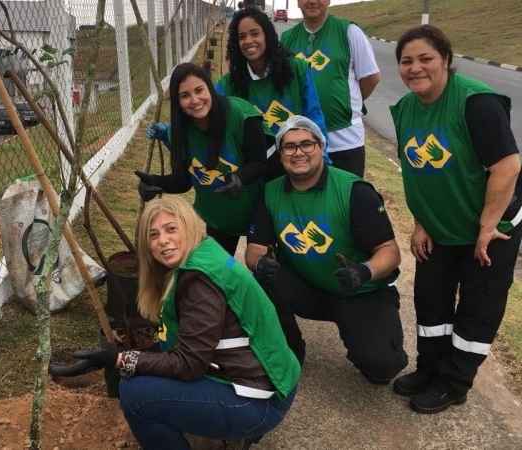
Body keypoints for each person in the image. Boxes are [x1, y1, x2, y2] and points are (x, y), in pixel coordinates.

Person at [51, 196, 301, 450]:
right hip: (268, 382)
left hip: (259, 402)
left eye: (171, 229)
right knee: (142, 379)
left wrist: (118, 360)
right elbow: (189, 343)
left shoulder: (199, 282)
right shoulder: (206, 253)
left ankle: (228, 430)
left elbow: (189, 364)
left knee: (137, 395)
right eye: (153, 235)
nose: (163, 240)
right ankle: (213, 434)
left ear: (189, 227)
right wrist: (128, 357)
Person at [389, 25, 522, 414]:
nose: (416, 68)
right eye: (407, 61)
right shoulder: (405, 110)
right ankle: (430, 368)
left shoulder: (475, 102)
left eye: (425, 58)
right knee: (431, 303)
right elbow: (418, 172)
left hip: (492, 227)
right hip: (442, 226)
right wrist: (421, 222)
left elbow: (508, 166)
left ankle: (455, 382)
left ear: (446, 59)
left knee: (478, 309)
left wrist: (485, 229)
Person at [245, 115, 408, 382]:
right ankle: (288, 352)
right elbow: (254, 248)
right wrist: (260, 263)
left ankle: (364, 335)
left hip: (358, 291)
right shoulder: (270, 193)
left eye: (306, 144)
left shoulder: (353, 191)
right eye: (289, 146)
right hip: (308, 287)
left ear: (322, 147)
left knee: (381, 368)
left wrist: (363, 272)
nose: (298, 152)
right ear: (281, 154)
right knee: (262, 279)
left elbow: (390, 251)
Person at [140, 62, 274, 256]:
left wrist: (239, 177)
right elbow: (184, 180)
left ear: (210, 88)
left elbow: (260, 162)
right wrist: (153, 182)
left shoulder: (241, 115)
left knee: (261, 269)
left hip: (257, 210)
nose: (195, 100)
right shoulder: (179, 132)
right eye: (185, 96)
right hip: (218, 218)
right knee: (217, 274)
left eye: (199, 90)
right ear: (178, 103)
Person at [215, 7, 330, 178]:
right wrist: (169, 132)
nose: (248, 41)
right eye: (242, 37)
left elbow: (314, 117)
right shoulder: (228, 84)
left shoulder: (297, 69)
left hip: (295, 165)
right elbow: (207, 113)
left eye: (255, 34)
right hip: (254, 171)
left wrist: (323, 159)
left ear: (267, 35)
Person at [280, 0, 380, 178]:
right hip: (302, 144)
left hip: (345, 140)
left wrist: (345, 104)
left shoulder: (349, 31)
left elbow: (371, 78)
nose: (312, 1)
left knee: (346, 198)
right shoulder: (287, 38)